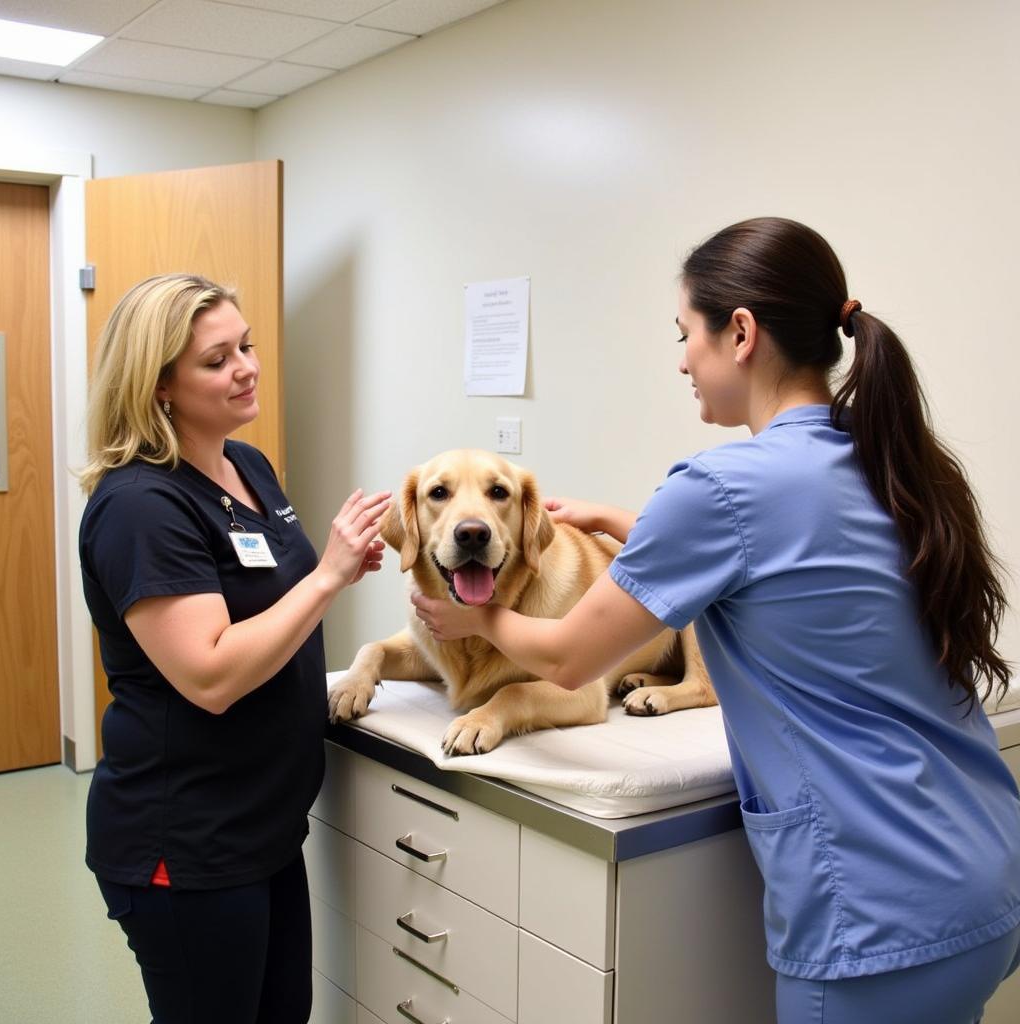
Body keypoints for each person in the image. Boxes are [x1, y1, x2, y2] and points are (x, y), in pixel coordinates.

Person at [412, 218, 1020, 1024]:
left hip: (877, 912)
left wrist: (474, 621)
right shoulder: (889, 458)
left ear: (740, 334)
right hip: (984, 867)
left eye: (685, 334)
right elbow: (775, 557)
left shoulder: (720, 486)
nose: (681, 360)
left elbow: (562, 660)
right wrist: (622, 519)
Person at [79, 273, 390, 1024]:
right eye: (216, 361)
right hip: (185, 844)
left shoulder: (244, 465)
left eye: (245, 346)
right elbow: (211, 674)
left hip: (263, 827)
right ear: (159, 387)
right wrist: (326, 577)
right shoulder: (140, 506)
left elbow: (269, 596)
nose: (246, 367)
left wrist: (333, 572)